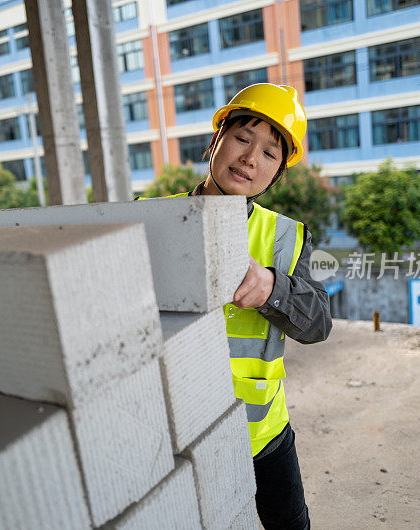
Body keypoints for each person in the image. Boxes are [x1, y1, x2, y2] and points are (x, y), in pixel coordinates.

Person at [165, 83, 332, 529]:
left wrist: (273, 287)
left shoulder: (285, 237)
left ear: (277, 174)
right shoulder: (155, 218)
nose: (250, 158)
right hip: (179, 433)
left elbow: (319, 323)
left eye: (270, 153)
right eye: (242, 138)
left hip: (263, 435)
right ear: (214, 141)